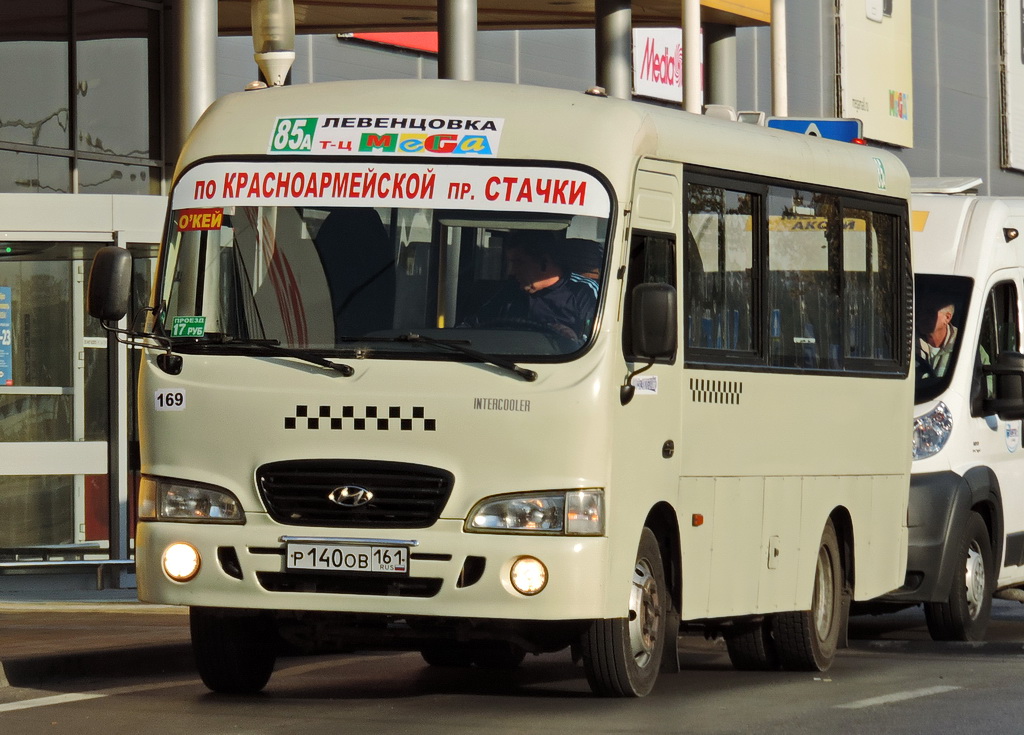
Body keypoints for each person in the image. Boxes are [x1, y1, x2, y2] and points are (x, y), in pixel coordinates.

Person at [462, 231, 598, 346]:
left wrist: (571, 339)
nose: (512, 271)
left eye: (518, 262)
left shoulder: (585, 293)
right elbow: (472, 326)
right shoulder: (511, 290)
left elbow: (595, 345)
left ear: (544, 262)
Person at [917, 298, 957, 378]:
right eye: (920, 311)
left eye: (930, 312)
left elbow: (986, 383)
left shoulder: (966, 344)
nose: (922, 316)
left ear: (947, 318)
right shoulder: (907, 341)